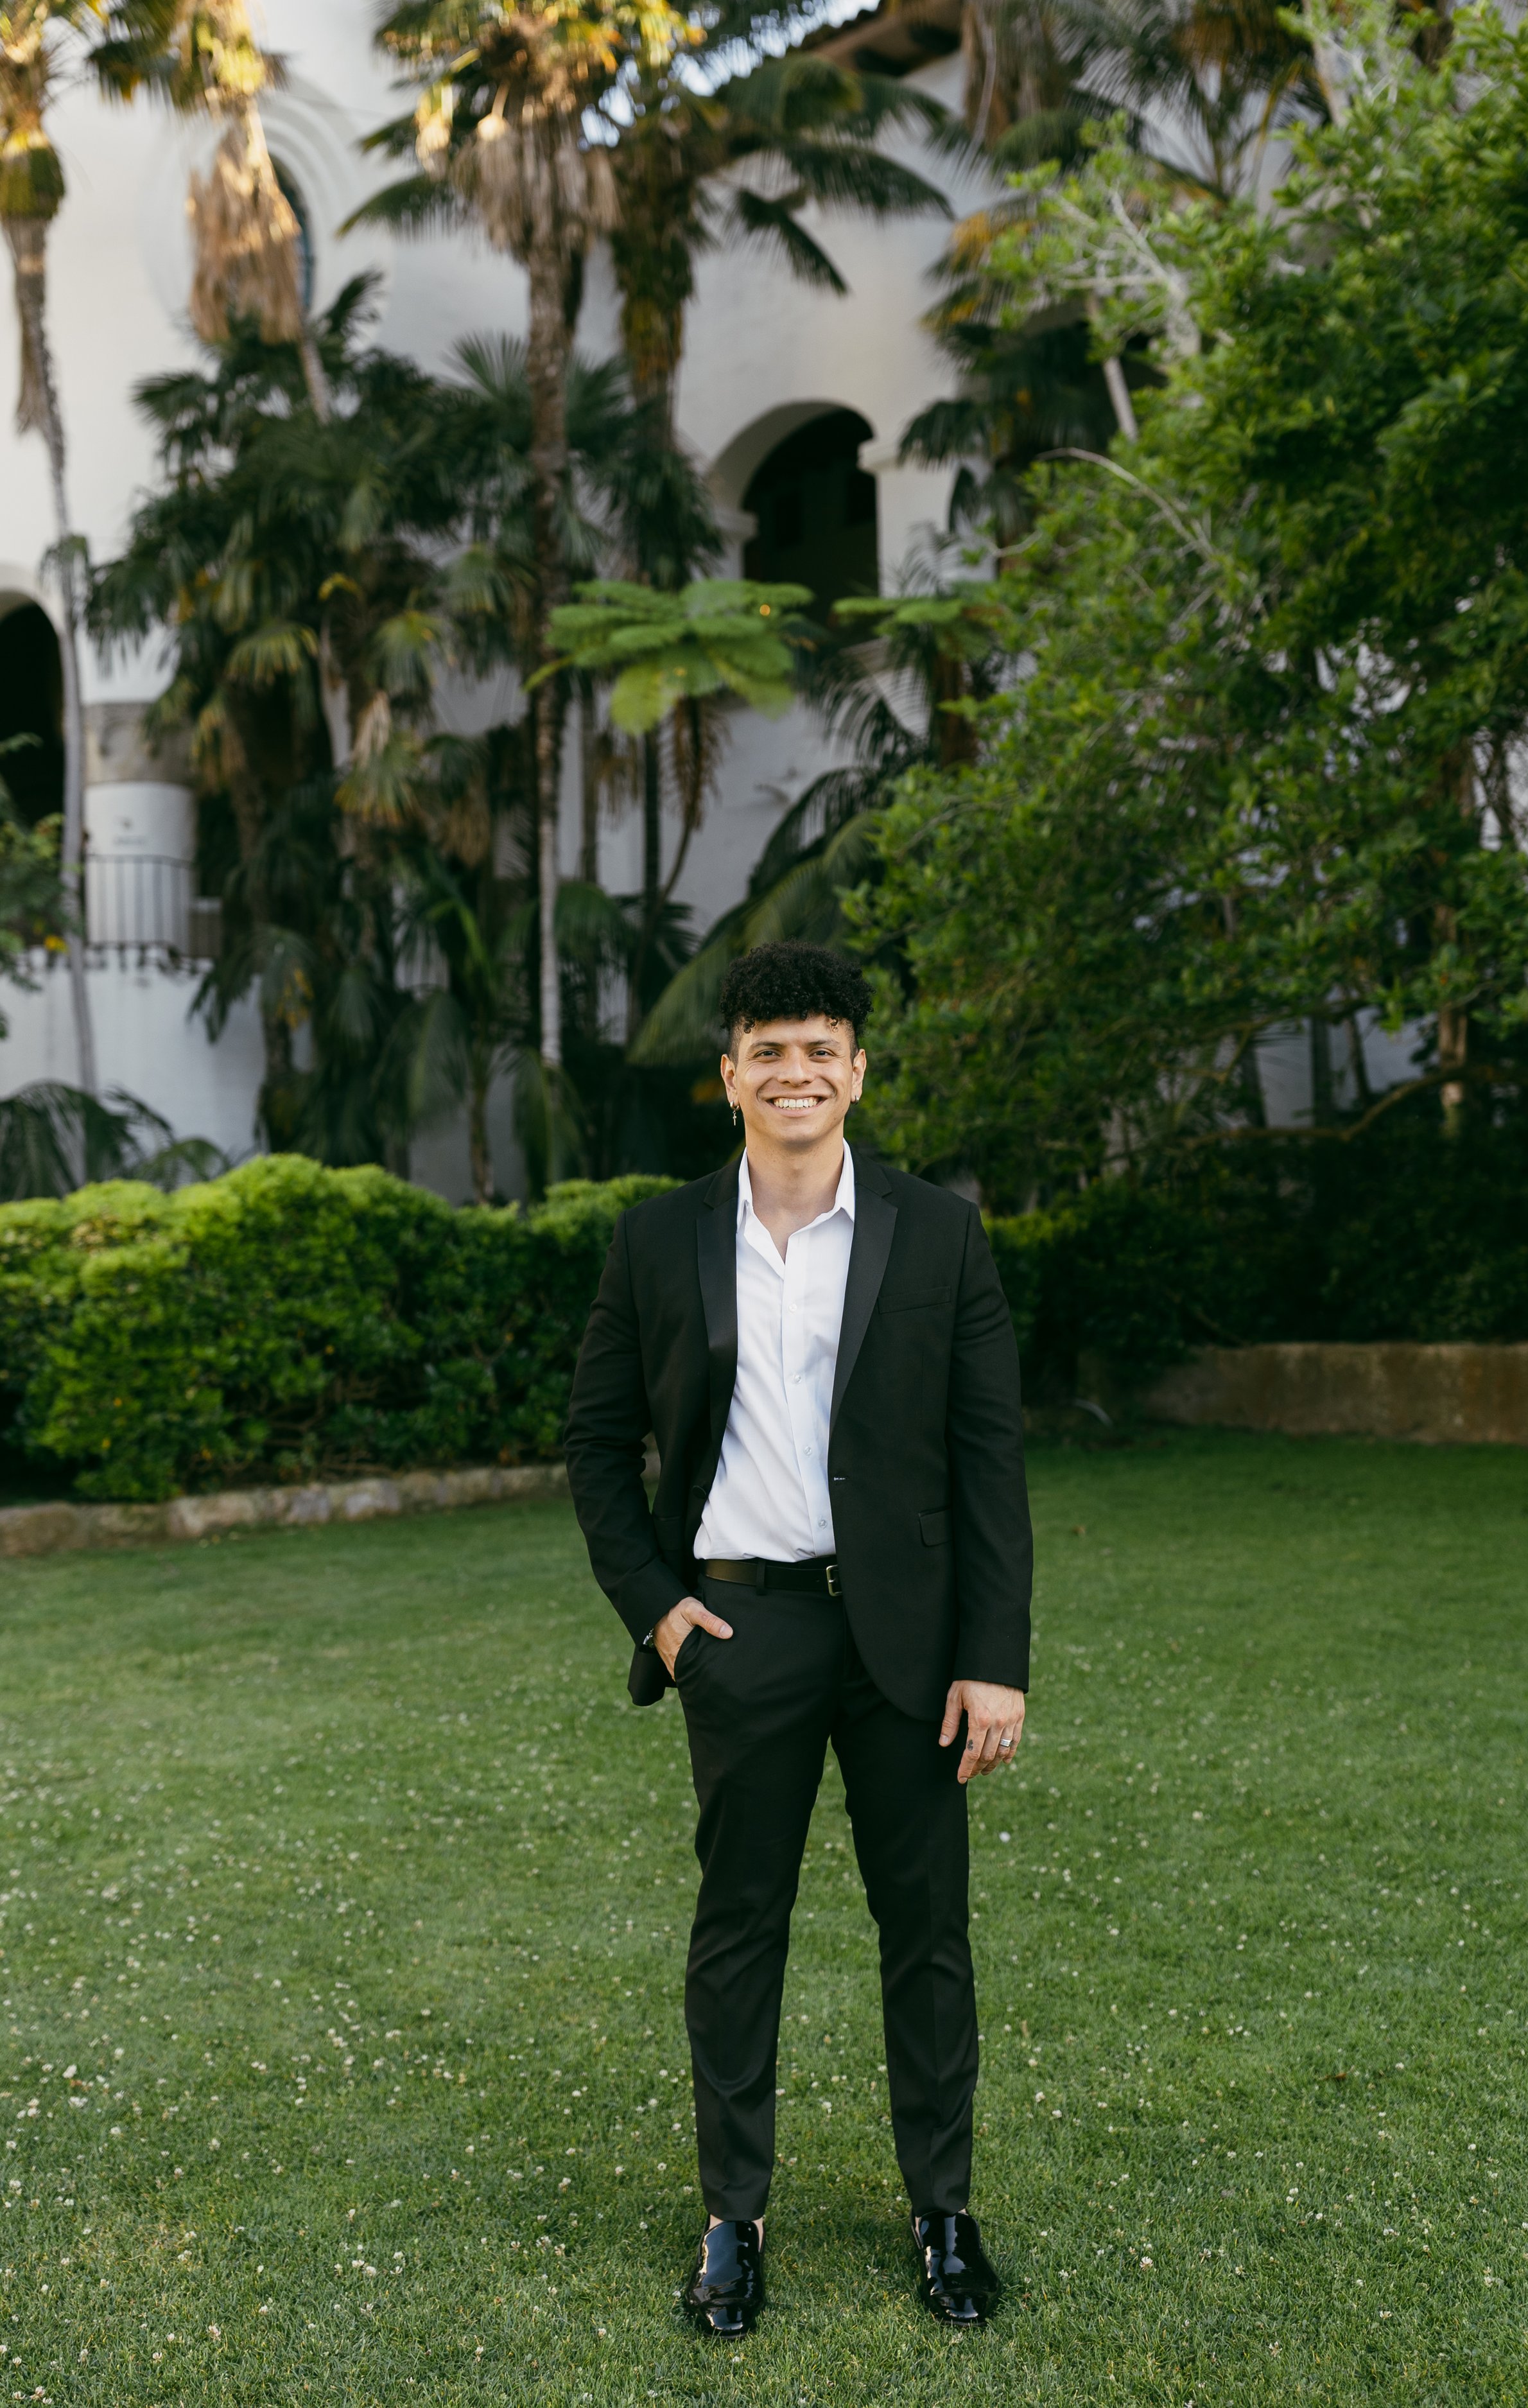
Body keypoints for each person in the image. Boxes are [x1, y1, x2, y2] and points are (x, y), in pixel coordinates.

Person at [565, 940, 1032, 2337]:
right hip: (740, 1632)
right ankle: (732, 2220)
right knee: (737, 1931)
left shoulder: (935, 1233)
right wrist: (660, 1609)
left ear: (857, 1073)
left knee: (927, 1936)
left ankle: (942, 2213)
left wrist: (992, 1655)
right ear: (728, 1077)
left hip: (908, 1645)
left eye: (820, 1049)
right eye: (767, 1051)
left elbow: (985, 1459)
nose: (795, 1073)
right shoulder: (655, 1240)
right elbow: (595, 1447)